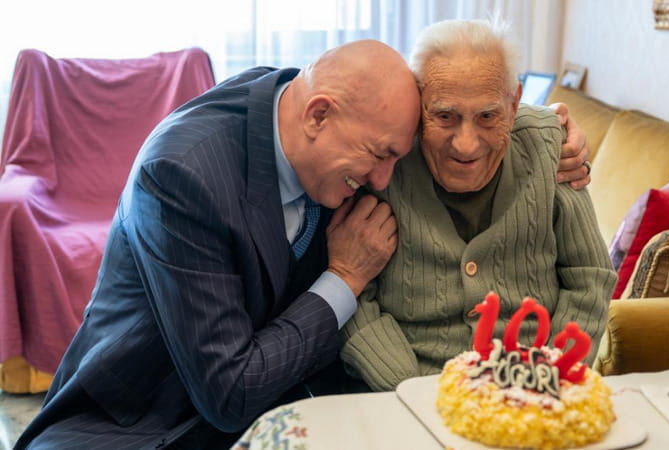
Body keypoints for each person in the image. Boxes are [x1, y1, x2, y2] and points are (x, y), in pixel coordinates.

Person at [15, 40, 421, 449]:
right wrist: (344, 279)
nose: (383, 180)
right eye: (379, 154)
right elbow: (231, 394)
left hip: (276, 413)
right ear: (318, 115)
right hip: (134, 427)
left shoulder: (309, 131)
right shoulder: (181, 174)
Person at [340, 20, 616, 392]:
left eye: (487, 116)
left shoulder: (551, 146)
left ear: (514, 102)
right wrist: (410, 391)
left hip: (535, 388)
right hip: (407, 391)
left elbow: (589, 276)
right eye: (444, 116)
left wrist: (548, 381)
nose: (466, 145)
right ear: (418, 103)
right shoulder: (386, 156)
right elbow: (352, 294)